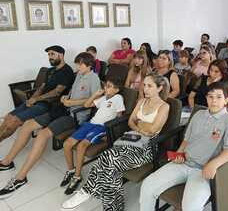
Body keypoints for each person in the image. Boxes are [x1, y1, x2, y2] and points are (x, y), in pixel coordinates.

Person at [61, 74, 170, 211]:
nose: (145, 89)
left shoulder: (164, 106)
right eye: (144, 85)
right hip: (129, 140)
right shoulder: (141, 102)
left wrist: (139, 124)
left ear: (160, 88)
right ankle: (113, 207)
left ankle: (87, 192)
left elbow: (153, 130)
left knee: (107, 160)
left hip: (147, 146)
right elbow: (131, 122)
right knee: (108, 164)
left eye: (150, 86)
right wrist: (141, 127)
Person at [0, 52, 98, 198]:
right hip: (63, 108)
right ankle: (7, 162)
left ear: (89, 65)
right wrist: (67, 97)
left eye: (80, 64)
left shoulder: (94, 78)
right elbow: (73, 91)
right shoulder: (79, 74)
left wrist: (72, 103)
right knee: (27, 125)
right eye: (77, 64)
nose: (77, 66)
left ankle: (21, 178)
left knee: (42, 134)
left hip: (75, 116)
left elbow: (92, 101)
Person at [139, 82, 228, 211]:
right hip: (184, 162)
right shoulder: (198, 115)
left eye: (219, 97)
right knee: (147, 186)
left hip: (203, 171)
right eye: (210, 96)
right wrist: (179, 154)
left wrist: (213, 164)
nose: (214, 101)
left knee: (190, 207)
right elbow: (187, 140)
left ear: (226, 100)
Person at [61, 78, 125, 195]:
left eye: (109, 86)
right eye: (106, 86)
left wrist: (111, 132)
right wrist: (96, 94)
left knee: (81, 146)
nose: (105, 88)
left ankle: (77, 177)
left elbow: (119, 117)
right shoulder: (103, 98)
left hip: (101, 127)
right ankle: (70, 170)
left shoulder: (118, 98)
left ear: (116, 90)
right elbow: (87, 104)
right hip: (90, 124)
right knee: (66, 144)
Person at [0, 45, 74, 143]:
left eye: (53, 54)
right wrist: (32, 99)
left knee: (14, 121)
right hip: (39, 101)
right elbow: (41, 87)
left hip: (49, 104)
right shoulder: (50, 70)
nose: (50, 57)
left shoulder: (67, 71)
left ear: (61, 55)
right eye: (48, 55)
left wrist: (36, 99)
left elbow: (57, 92)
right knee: (8, 117)